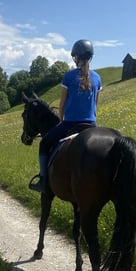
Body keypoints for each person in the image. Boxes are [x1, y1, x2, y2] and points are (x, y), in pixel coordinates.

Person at [29, 39, 102, 192]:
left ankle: (43, 181)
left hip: (70, 124)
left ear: (76, 57)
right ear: (90, 57)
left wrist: (62, 121)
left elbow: (61, 105)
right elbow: (95, 104)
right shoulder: (98, 78)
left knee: (44, 144)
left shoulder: (69, 77)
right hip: (92, 125)